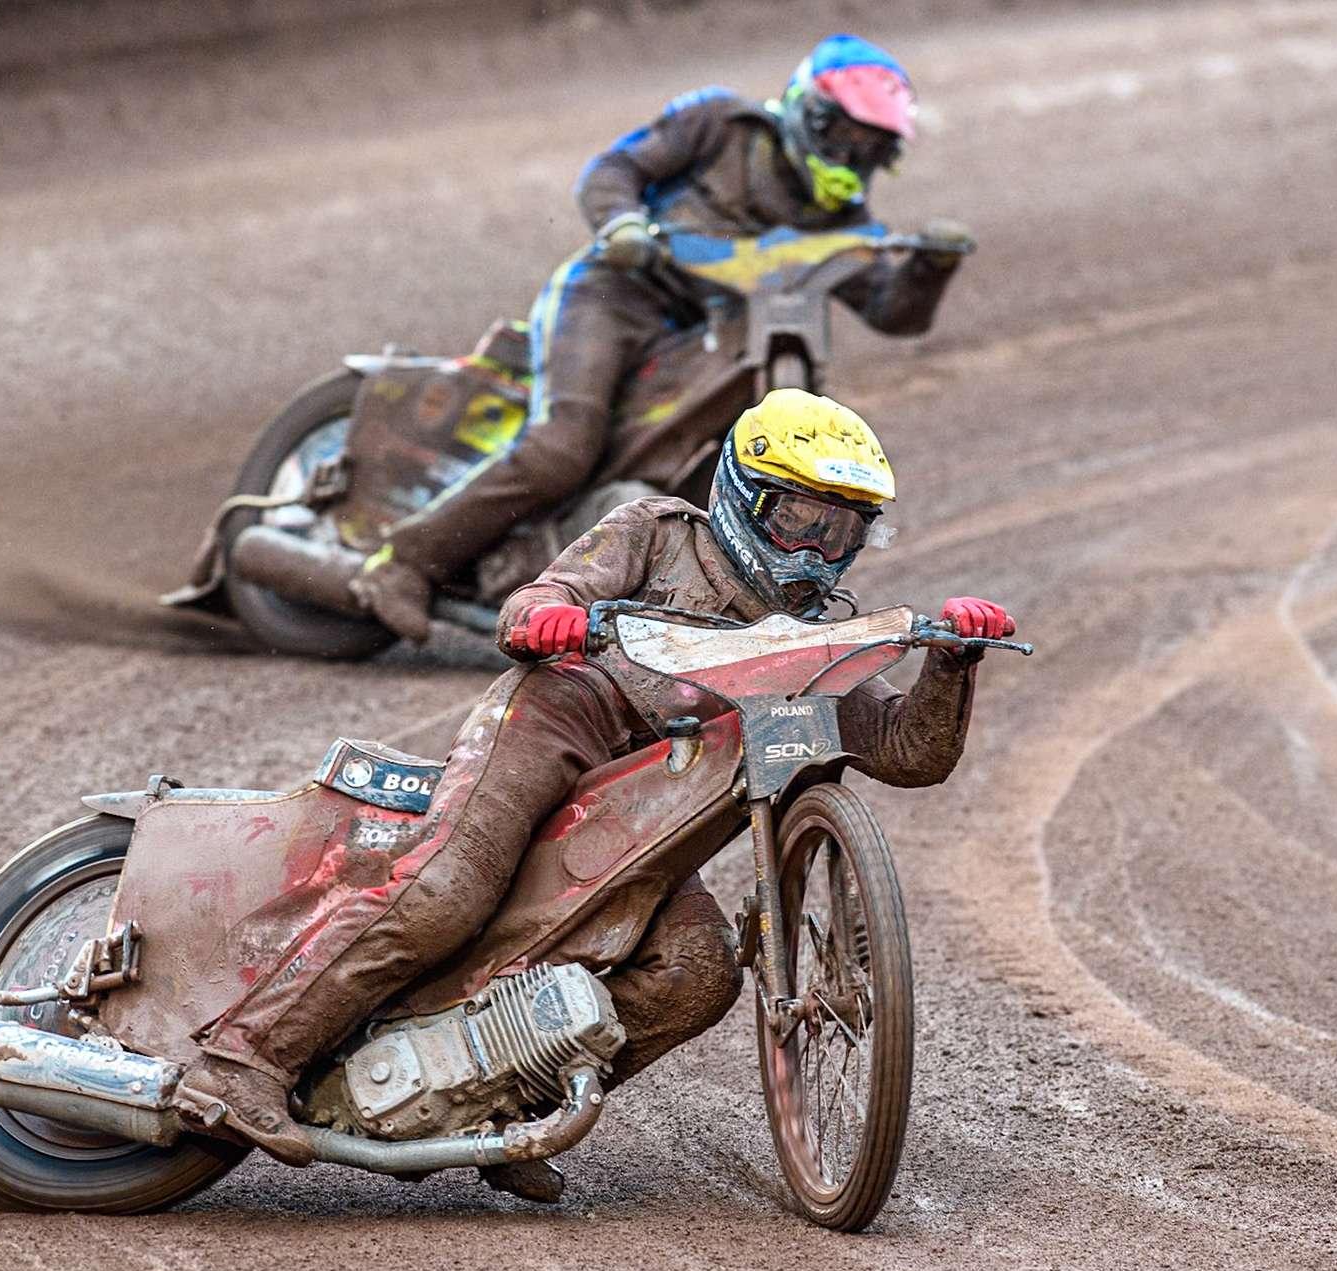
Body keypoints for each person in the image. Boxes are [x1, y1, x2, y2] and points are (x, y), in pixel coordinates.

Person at [175, 388, 1015, 1203]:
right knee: (446, 889)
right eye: (797, 519)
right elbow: (535, 603)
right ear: (740, 494)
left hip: (648, 818)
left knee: (698, 973)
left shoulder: (808, 649)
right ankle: (242, 1063)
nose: (812, 552)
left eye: (841, 532)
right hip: (560, 724)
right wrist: (547, 617)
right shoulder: (657, 533)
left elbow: (910, 752)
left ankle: (508, 1114)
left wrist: (953, 662)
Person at [348, 33, 976, 643]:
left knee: (717, 478)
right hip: (614, 295)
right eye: (845, 135)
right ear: (809, 113)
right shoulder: (720, 122)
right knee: (563, 447)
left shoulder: (845, 223)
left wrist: (930, 267)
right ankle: (403, 563)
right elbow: (612, 169)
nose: (851, 157)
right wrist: (622, 224)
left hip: (703, 340)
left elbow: (894, 313)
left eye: (870, 149)